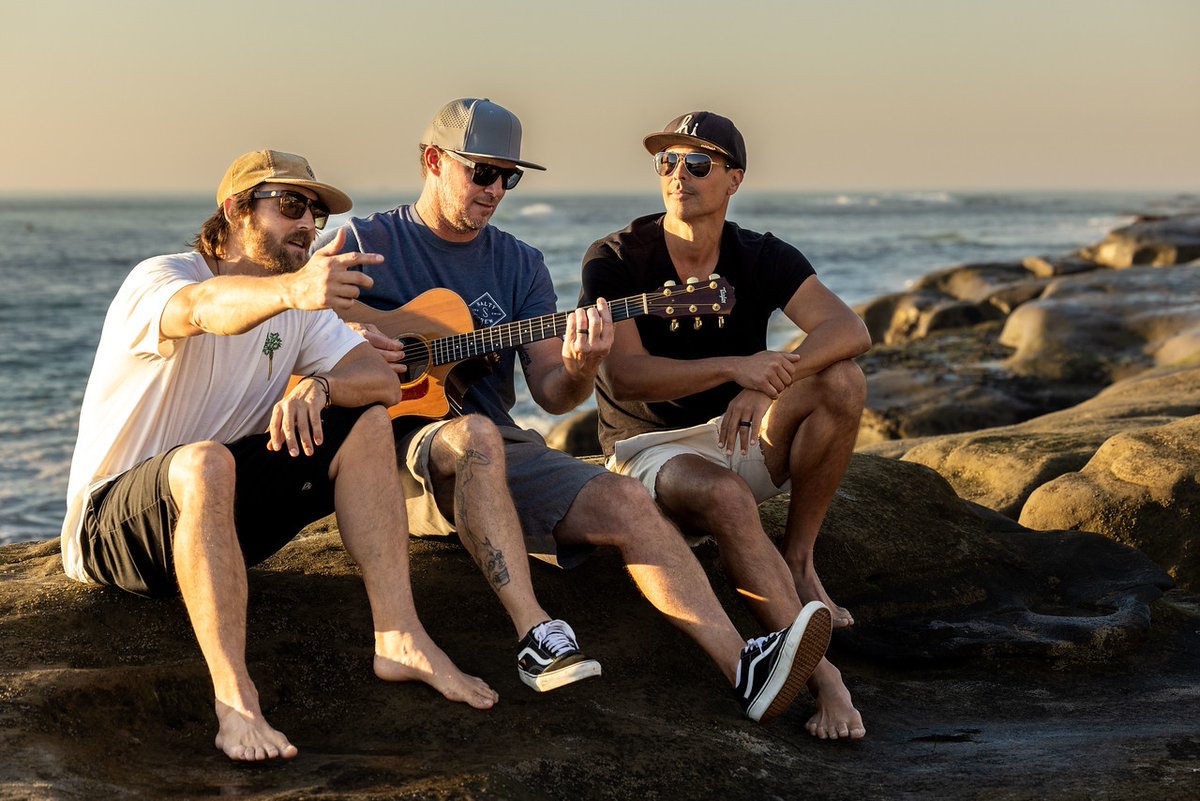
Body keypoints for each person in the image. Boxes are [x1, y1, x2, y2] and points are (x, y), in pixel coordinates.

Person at [321, 97, 836, 725]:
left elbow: (552, 394)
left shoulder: (520, 264)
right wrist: (350, 348)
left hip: (493, 446)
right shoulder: (364, 241)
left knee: (625, 501)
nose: (495, 191)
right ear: (433, 161)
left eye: (508, 178)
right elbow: (295, 326)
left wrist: (583, 364)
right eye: (482, 173)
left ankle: (745, 669)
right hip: (388, 449)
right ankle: (536, 635)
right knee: (476, 432)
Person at [60, 150, 500, 763]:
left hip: (221, 519)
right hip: (115, 528)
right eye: (290, 207)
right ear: (236, 210)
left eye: (314, 216)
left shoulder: (298, 309)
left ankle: (399, 636)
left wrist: (317, 384)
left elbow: (376, 378)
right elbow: (203, 309)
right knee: (206, 460)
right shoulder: (162, 278)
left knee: (366, 421)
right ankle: (235, 700)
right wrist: (295, 290)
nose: (307, 226)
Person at [579, 111, 870, 739]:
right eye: (667, 163)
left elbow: (849, 329)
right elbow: (626, 375)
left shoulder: (758, 253)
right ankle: (827, 682)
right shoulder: (616, 256)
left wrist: (768, 384)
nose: (678, 175)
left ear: (734, 178)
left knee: (843, 380)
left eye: (698, 163)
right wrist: (737, 369)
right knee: (725, 496)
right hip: (648, 449)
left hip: (740, 434)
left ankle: (797, 559)